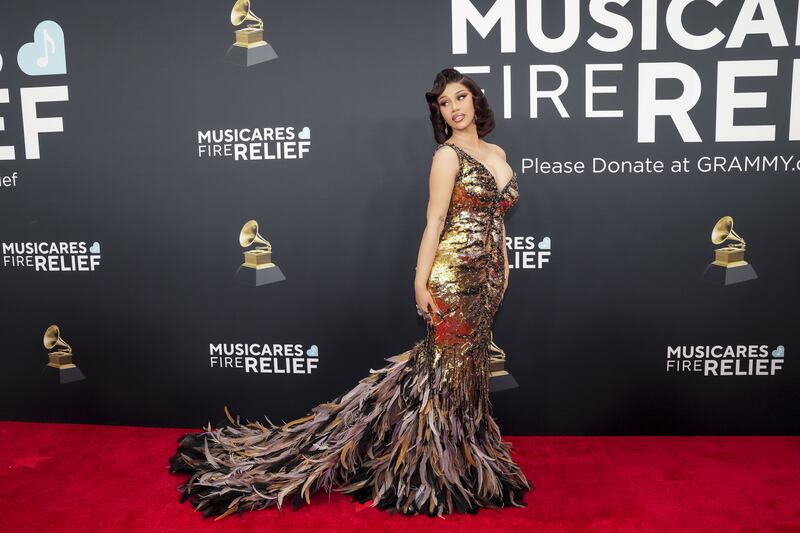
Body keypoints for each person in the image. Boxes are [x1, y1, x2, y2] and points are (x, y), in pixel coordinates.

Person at [168, 67, 531, 519]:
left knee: (465, 367)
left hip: (490, 280)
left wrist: (506, 265)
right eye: (444, 103)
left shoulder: (497, 152)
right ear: (438, 112)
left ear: (476, 99)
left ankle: (466, 455)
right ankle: (432, 465)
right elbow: (435, 221)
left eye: (460, 97)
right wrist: (420, 280)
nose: (454, 108)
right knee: (446, 368)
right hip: (454, 277)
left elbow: (495, 219)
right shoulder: (447, 156)